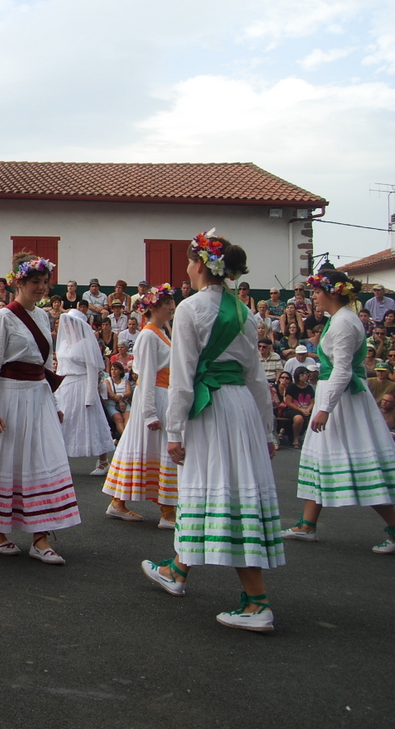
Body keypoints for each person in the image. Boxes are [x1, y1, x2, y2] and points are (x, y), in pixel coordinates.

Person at [142, 229, 283, 632]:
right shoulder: (245, 312)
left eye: (190, 261)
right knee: (217, 487)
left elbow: (183, 377)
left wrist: (174, 431)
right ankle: (177, 569)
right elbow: (256, 378)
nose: (187, 267)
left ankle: (257, 602)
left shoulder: (190, 308)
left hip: (211, 409)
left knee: (224, 489)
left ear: (201, 265)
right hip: (241, 407)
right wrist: (267, 430)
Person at [0, 255, 78, 564]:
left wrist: (54, 403)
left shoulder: (44, 317)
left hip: (38, 398)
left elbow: (46, 365)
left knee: (42, 460)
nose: (41, 287)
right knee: (7, 462)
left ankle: (40, 537)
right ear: (19, 283)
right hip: (10, 398)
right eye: (35, 282)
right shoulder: (3, 317)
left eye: (45, 282)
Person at [280, 270, 395, 554]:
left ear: (333, 292)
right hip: (336, 397)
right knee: (320, 459)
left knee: (360, 464)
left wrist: (325, 409)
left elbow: (342, 371)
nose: (314, 297)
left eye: (318, 292)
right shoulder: (340, 319)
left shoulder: (344, 322)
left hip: (343, 403)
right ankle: (308, 525)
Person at [103, 284, 178, 527]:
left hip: (161, 395)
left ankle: (120, 502)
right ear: (153, 307)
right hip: (154, 397)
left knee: (146, 448)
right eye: (166, 303)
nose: (171, 306)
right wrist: (149, 413)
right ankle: (167, 511)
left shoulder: (160, 331)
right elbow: (145, 376)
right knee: (157, 449)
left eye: (171, 302)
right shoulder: (148, 335)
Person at [55, 310, 117, 475]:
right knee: (63, 422)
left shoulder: (86, 343)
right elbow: (60, 367)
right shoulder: (63, 343)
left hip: (82, 385)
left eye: (70, 322)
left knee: (93, 422)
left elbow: (92, 370)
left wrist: (90, 396)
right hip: (65, 386)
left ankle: (103, 462)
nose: (66, 326)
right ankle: (60, 462)